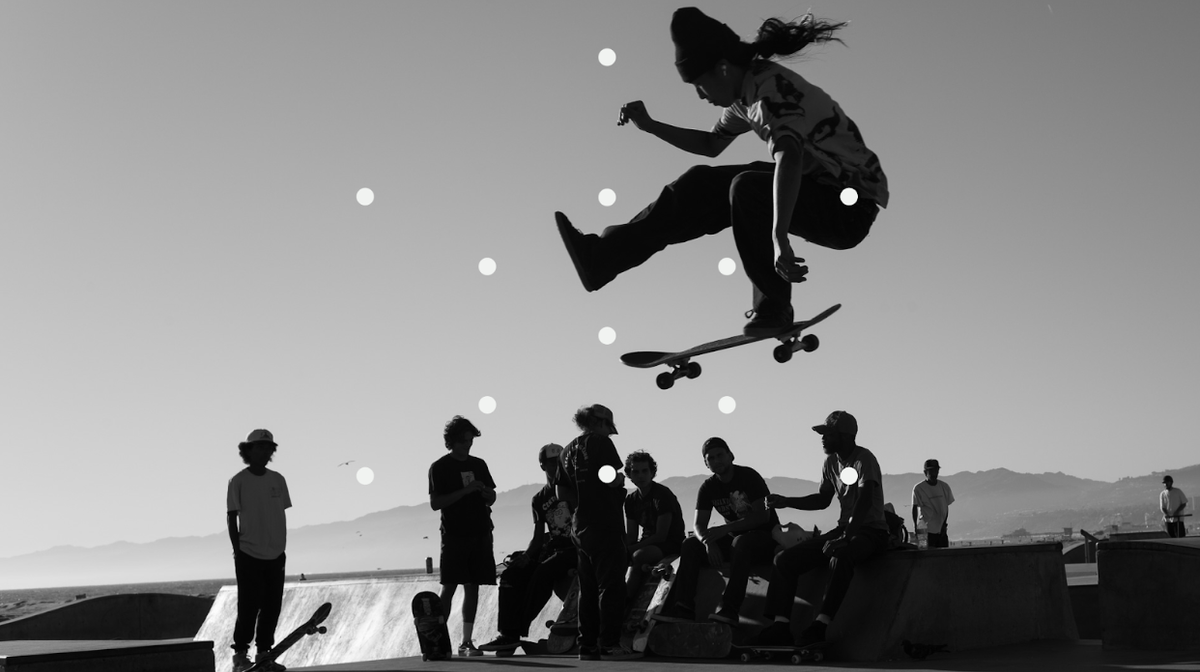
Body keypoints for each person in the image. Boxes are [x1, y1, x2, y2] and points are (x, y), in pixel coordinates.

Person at [556, 7, 887, 336]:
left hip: (849, 208)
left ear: (724, 69)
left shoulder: (767, 95)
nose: (701, 96)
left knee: (747, 188)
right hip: (817, 187)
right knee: (702, 183)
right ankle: (601, 259)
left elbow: (790, 155)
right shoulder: (745, 93)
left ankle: (773, 306)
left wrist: (779, 236)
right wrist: (652, 126)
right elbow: (712, 143)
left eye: (701, 86)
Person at [748, 411, 890, 649]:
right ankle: (781, 626)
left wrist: (846, 537)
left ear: (844, 436)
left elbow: (864, 501)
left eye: (827, 434)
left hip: (872, 532)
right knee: (784, 560)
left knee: (841, 555)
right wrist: (787, 501)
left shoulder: (864, 459)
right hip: (844, 529)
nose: (822, 439)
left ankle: (820, 625)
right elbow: (823, 500)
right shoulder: (830, 462)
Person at [659, 437, 779, 625]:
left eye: (720, 455)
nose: (717, 461)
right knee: (690, 544)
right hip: (735, 540)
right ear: (706, 464)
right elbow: (699, 525)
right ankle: (683, 608)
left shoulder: (749, 477)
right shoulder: (708, 487)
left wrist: (726, 529)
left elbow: (762, 517)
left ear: (731, 455)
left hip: (764, 538)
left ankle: (730, 609)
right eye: (711, 458)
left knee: (740, 542)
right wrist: (708, 542)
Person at [558, 404, 642, 660]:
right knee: (611, 586)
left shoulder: (566, 450)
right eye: (608, 427)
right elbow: (608, 474)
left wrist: (579, 510)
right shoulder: (600, 443)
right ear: (599, 423)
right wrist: (618, 481)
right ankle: (609, 644)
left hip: (580, 528)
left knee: (588, 589)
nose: (609, 432)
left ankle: (587, 645)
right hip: (605, 524)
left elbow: (562, 493)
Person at [479, 443, 578, 651]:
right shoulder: (539, 499)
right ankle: (507, 634)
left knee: (544, 571)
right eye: (551, 463)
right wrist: (525, 556)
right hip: (554, 550)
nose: (556, 466)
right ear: (542, 465)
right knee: (511, 575)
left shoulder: (574, 487)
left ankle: (518, 628)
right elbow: (537, 537)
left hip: (575, 549)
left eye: (559, 461)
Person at [428, 416, 497, 657]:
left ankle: (466, 642)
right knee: (449, 586)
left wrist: (486, 494)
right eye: (464, 441)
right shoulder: (440, 467)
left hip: (480, 531)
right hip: (454, 534)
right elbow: (436, 503)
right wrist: (465, 490)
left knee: (473, 586)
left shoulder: (479, 464)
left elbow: (492, 497)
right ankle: (437, 639)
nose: (468, 445)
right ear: (453, 441)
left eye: (470, 440)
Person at [227, 428, 291, 672]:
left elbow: (278, 514)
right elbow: (231, 516)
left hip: (276, 553)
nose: (265, 451)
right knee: (248, 605)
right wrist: (237, 550)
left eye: (268, 447)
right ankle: (240, 655)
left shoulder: (278, 480)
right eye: (260, 447)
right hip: (248, 552)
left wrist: (279, 545)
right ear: (248, 450)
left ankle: (264, 653)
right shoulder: (238, 480)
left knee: (272, 605)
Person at [623, 450, 686, 604]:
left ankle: (626, 601)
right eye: (635, 472)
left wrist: (631, 549)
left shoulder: (662, 495)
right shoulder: (631, 500)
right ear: (629, 475)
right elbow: (631, 536)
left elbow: (661, 536)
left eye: (645, 471)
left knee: (638, 556)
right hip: (646, 542)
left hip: (670, 544)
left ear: (652, 472)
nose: (640, 475)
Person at [911, 459, 954, 548]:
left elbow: (945, 507)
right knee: (924, 556)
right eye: (931, 471)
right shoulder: (918, 488)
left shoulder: (944, 487)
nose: (934, 473)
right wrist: (915, 527)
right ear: (925, 472)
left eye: (936, 470)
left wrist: (944, 525)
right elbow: (914, 507)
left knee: (943, 557)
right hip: (924, 530)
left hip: (941, 530)